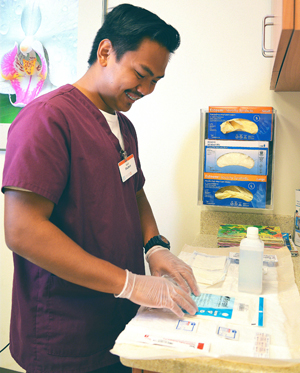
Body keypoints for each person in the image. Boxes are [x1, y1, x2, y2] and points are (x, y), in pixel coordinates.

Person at [2, 4, 200, 373]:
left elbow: (134, 192)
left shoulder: (123, 127)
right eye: (142, 74)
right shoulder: (47, 118)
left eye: (156, 80)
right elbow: (22, 230)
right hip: (65, 331)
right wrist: (129, 283)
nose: (147, 90)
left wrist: (155, 247)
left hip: (115, 321)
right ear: (106, 52)